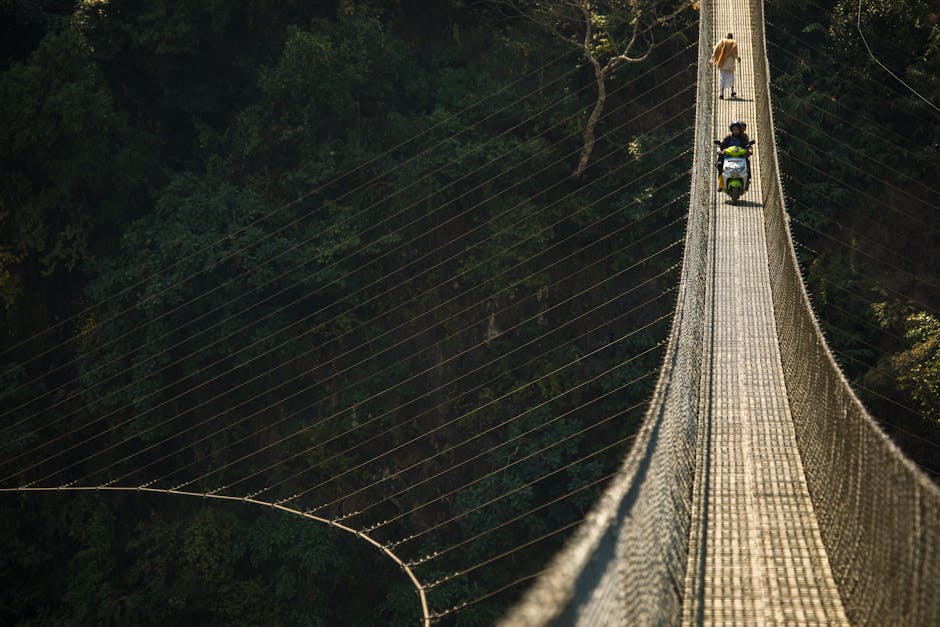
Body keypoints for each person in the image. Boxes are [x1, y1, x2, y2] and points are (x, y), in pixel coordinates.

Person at [716, 120, 752, 187]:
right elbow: (721, 145)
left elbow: (748, 145)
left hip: (740, 156)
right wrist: (719, 150)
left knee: (747, 163)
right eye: (734, 129)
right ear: (731, 130)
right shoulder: (728, 137)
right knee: (720, 164)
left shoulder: (743, 138)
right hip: (728, 156)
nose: (736, 131)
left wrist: (749, 150)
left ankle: (747, 179)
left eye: (737, 129)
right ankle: (721, 182)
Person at [709, 33, 740, 99]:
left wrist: (712, 60)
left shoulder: (721, 41)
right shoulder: (733, 43)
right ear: (731, 38)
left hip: (722, 62)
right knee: (731, 77)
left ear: (726, 37)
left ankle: (722, 94)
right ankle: (732, 92)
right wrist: (738, 58)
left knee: (722, 78)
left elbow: (715, 50)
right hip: (730, 64)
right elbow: (735, 54)